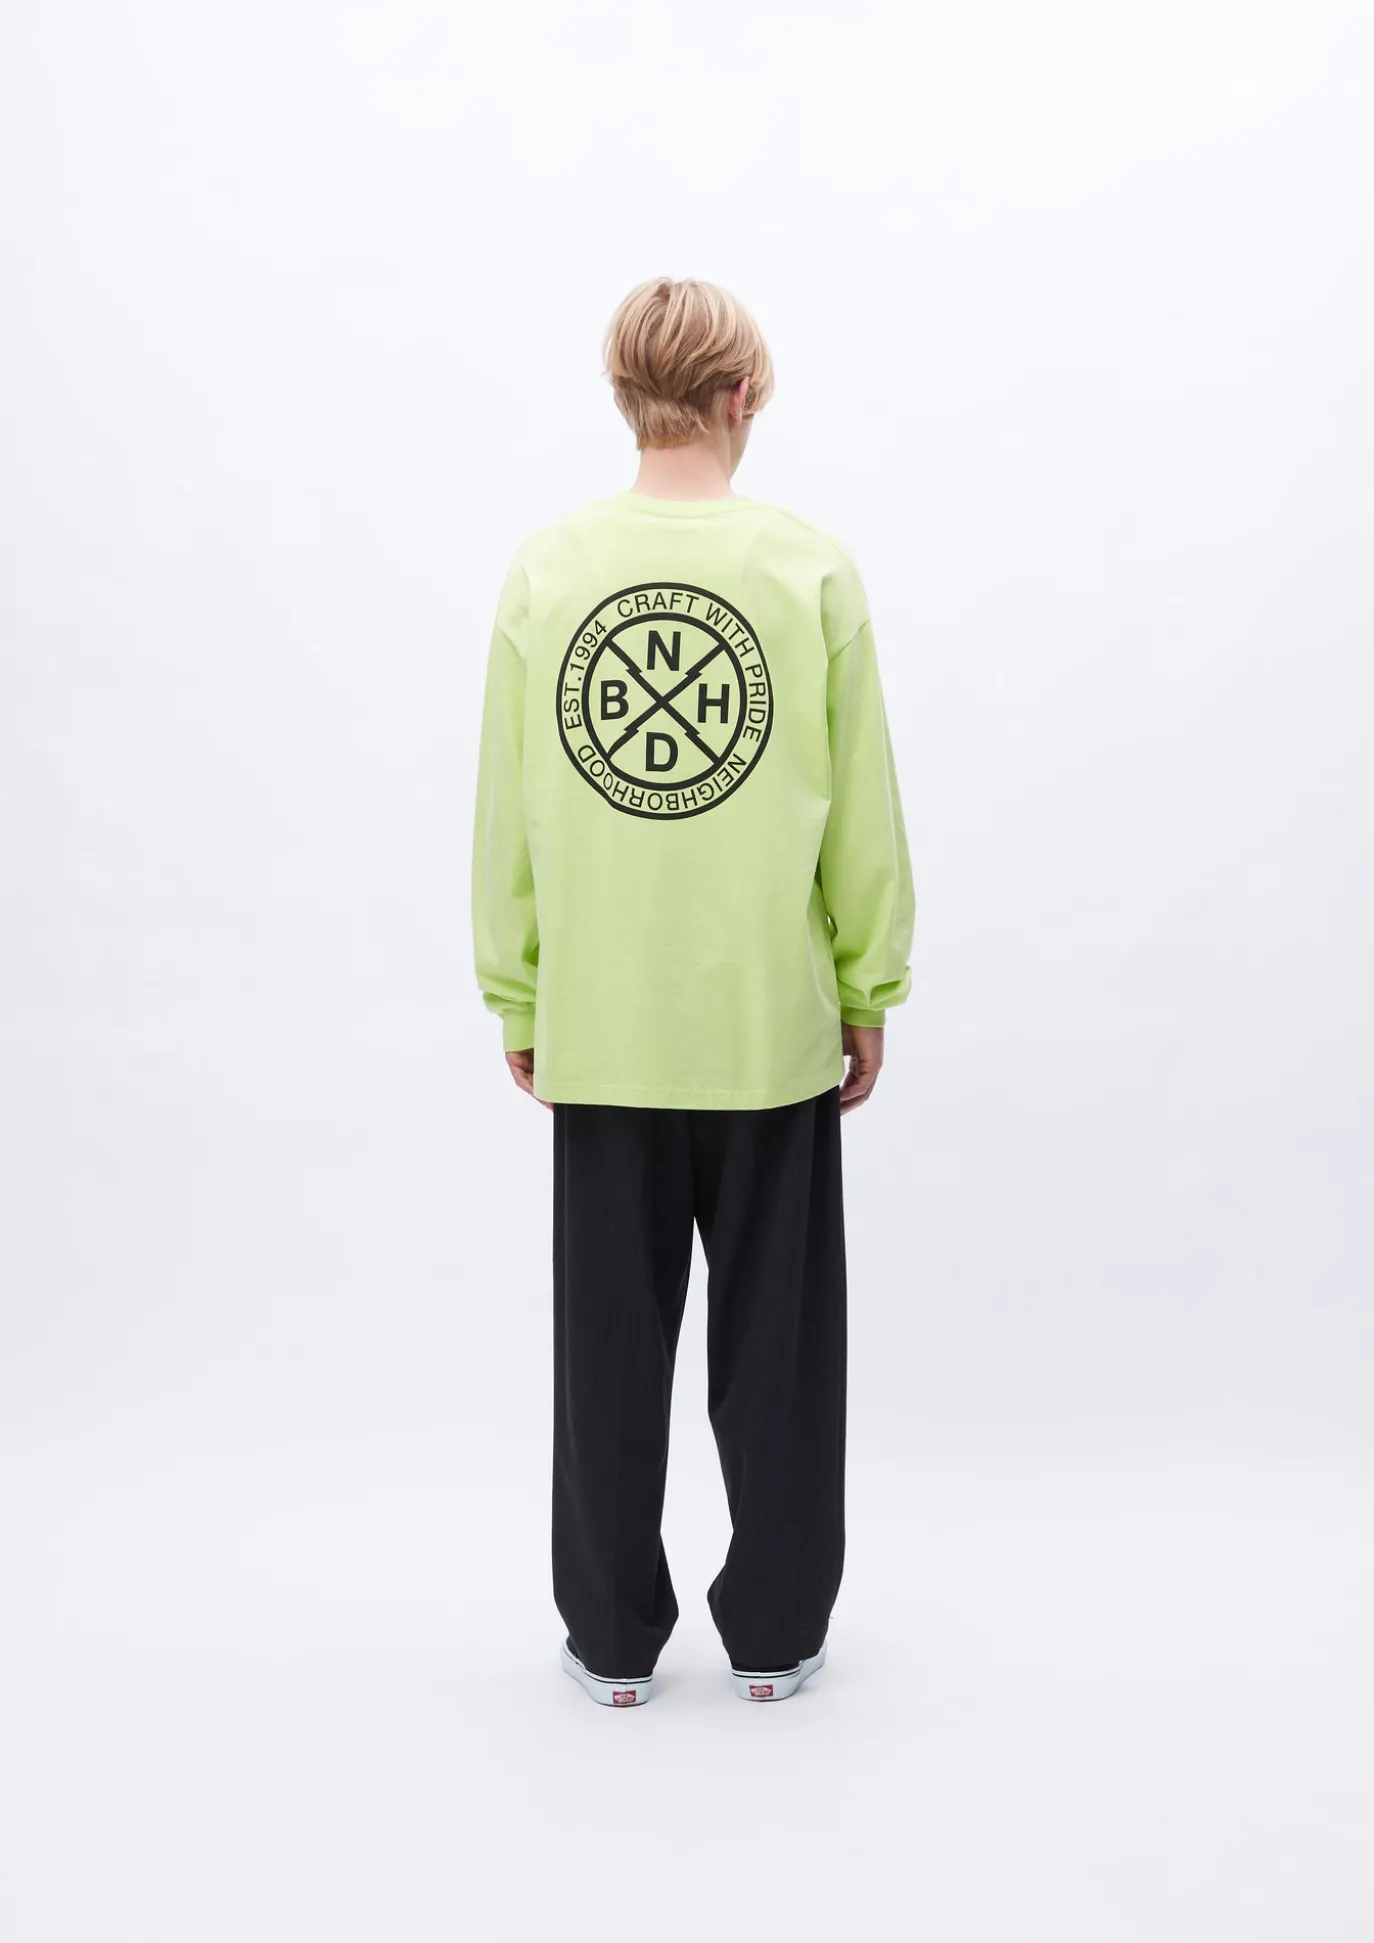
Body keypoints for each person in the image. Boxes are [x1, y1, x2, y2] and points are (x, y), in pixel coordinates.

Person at [471, 276, 915, 1707]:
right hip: (768, 1031)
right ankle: (775, 1638)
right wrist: (866, 984)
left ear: (626, 395)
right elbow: (861, 811)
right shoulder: (808, 570)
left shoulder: (549, 570)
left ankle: (610, 1642)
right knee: (777, 1352)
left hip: (602, 1029)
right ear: (741, 395)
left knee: (607, 1350)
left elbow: (509, 809)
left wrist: (520, 995)